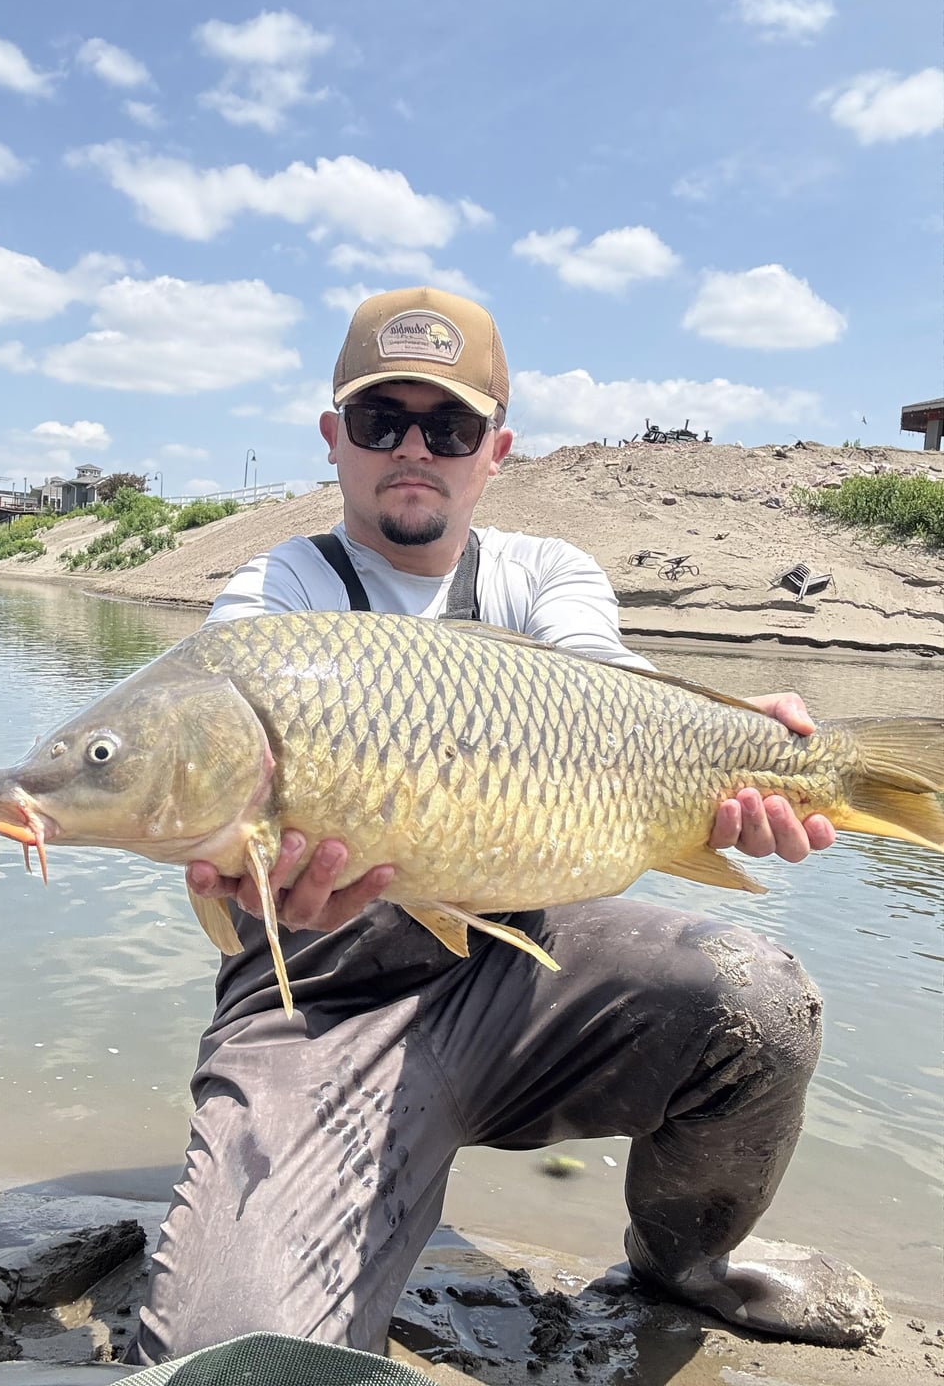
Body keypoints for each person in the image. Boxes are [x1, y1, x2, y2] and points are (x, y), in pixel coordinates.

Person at [126, 287, 884, 1365]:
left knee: (759, 1000)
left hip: (528, 973)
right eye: (382, 420)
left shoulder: (546, 575)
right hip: (319, 1003)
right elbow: (209, 768)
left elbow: (608, 687)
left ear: (496, 450)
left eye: (450, 426)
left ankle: (685, 1263)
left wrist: (743, 747)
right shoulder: (279, 594)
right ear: (334, 439)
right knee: (239, 1363)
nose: (414, 449)